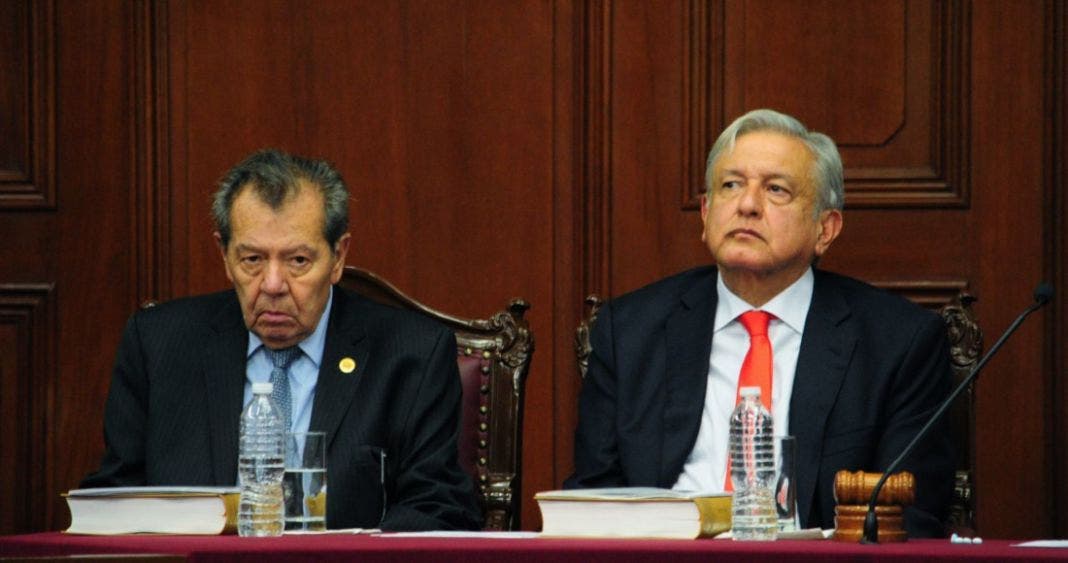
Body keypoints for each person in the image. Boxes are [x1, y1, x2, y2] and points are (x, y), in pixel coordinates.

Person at [564, 109, 953, 537]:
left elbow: (909, 518)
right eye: (731, 185)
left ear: (825, 229)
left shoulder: (897, 343)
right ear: (706, 213)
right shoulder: (630, 331)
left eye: (776, 189)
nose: (747, 205)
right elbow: (593, 499)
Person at [82, 149, 481, 531]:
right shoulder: (159, 346)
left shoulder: (411, 355)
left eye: (298, 261)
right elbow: (115, 502)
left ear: (338, 257)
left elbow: (438, 507)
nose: (273, 285)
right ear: (224, 255)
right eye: (252, 260)